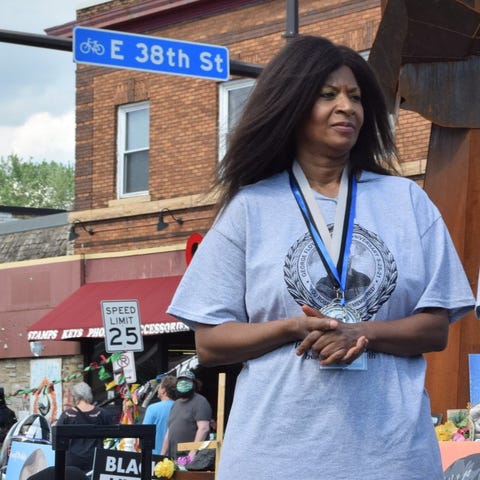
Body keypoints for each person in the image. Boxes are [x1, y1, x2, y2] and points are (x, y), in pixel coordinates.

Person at [166, 35, 475, 480]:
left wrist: (360, 331)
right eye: (327, 94)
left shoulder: (407, 200)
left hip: (392, 457)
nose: (346, 106)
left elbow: (435, 328)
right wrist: (294, 327)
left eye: (355, 96)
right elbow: (210, 342)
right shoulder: (251, 208)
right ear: (291, 105)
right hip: (275, 456)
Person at [56, 382, 113, 474]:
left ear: (74, 397)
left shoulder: (67, 415)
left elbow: (58, 437)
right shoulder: (101, 413)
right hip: (95, 458)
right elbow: (113, 433)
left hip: (72, 460)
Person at [160, 371, 211, 460]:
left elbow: (204, 428)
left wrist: (193, 452)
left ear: (194, 384)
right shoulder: (176, 404)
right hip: (173, 458)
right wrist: (162, 454)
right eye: (180, 381)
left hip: (191, 459)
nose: (183, 384)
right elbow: (169, 431)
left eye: (187, 381)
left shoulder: (200, 401)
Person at [142, 375, 176, 455]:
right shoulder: (181, 407)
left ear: (163, 390)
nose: (157, 389)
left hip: (156, 457)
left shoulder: (152, 409)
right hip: (178, 458)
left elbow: (144, 433)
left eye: (159, 387)